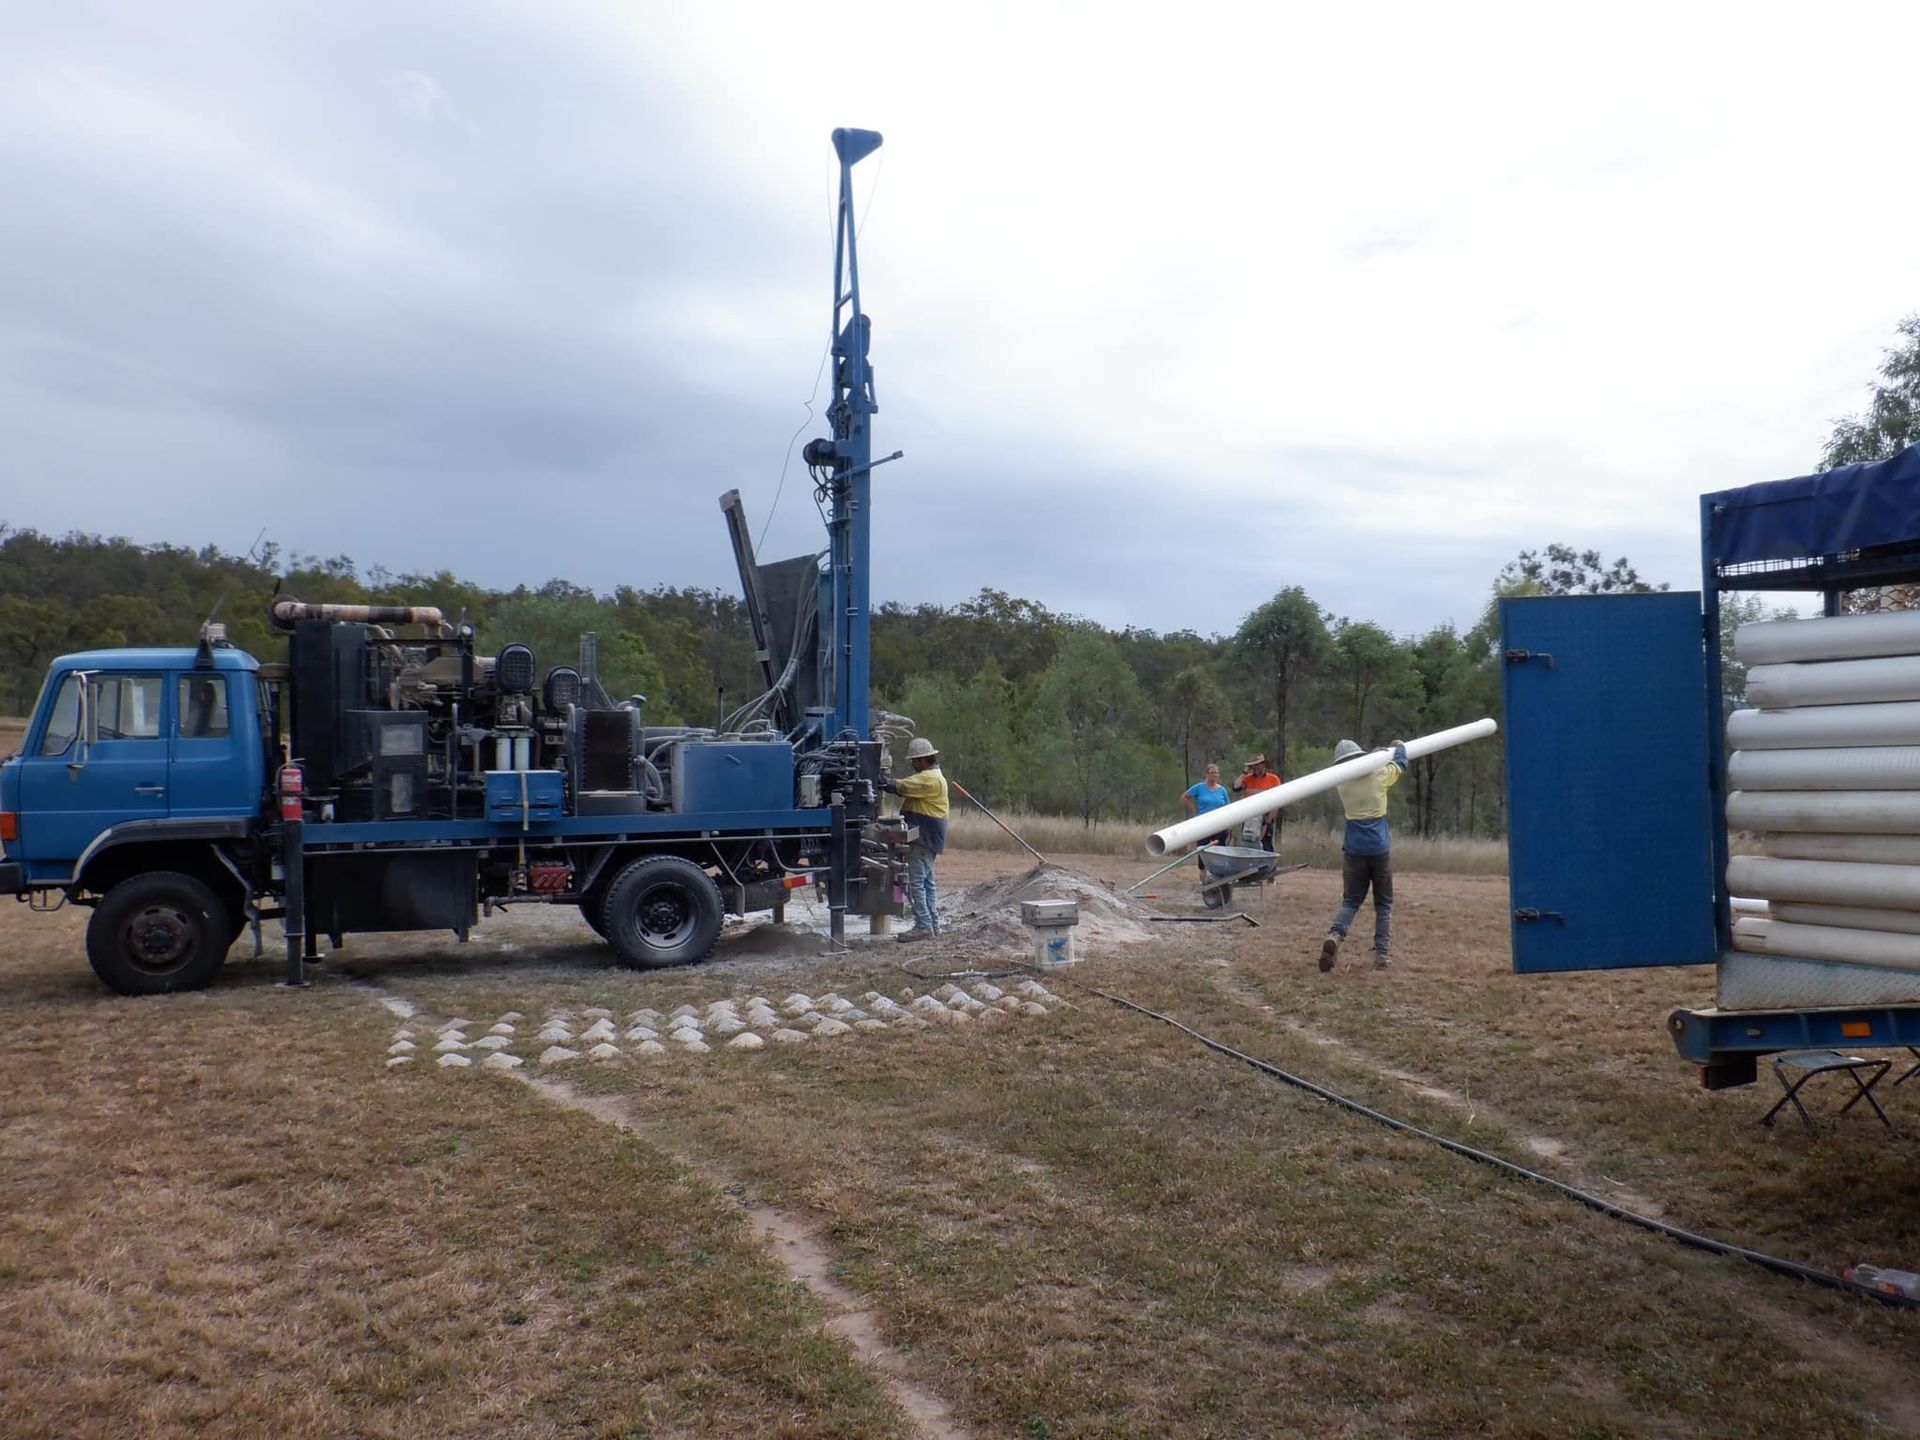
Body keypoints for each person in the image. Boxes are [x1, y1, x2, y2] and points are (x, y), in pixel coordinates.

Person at [1320, 737, 1408, 972]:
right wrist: (1398, 747)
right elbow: (1400, 764)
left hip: (1353, 849)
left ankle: (1335, 935)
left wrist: (1376, 754)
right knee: (1384, 904)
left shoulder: (1342, 784)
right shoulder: (1379, 776)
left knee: (1350, 901)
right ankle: (1382, 955)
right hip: (1378, 848)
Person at [885, 736, 948, 942]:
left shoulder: (929, 779)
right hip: (930, 838)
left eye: (914, 761)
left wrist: (882, 782)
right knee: (928, 883)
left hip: (924, 838)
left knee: (916, 883)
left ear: (922, 760)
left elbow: (902, 787)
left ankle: (923, 925)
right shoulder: (935, 777)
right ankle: (932, 924)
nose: (912, 764)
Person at [1182, 763, 1233, 874]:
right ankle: (1203, 874)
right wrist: (1194, 811)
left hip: (1220, 824)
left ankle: (1219, 875)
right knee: (1203, 848)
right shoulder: (1199, 787)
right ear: (1206, 774)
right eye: (1211, 772)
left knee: (1220, 849)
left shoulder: (1222, 790)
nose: (1214, 775)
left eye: (1216, 773)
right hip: (1203, 823)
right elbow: (1185, 797)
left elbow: (1228, 807)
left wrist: (1229, 824)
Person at [1231, 753, 1282, 851]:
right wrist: (1244, 772)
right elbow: (1235, 787)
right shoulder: (1247, 778)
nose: (1256, 768)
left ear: (1263, 765)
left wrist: (1269, 819)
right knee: (1248, 842)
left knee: (1266, 844)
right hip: (1249, 816)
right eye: (1253, 765)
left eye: (1258, 765)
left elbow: (1278, 800)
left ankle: (1267, 866)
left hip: (1265, 815)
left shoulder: (1273, 779)